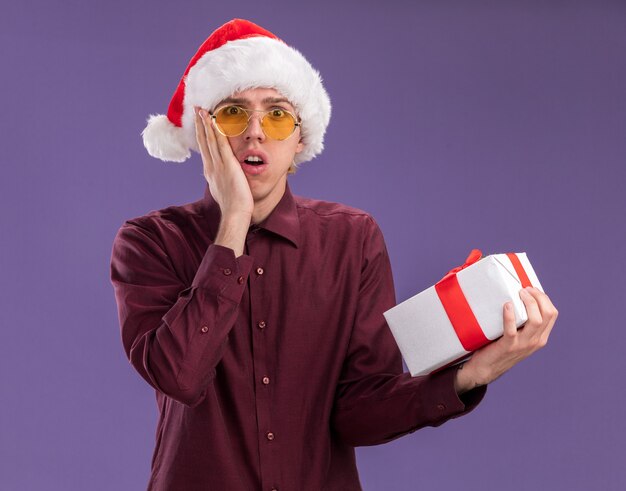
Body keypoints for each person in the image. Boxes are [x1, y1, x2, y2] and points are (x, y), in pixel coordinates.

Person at [110, 18, 558, 491]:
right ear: (205, 134)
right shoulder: (148, 242)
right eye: (233, 113)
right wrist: (234, 222)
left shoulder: (353, 238)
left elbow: (357, 414)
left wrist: (468, 377)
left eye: (278, 114)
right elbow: (179, 375)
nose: (256, 133)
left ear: (300, 138)